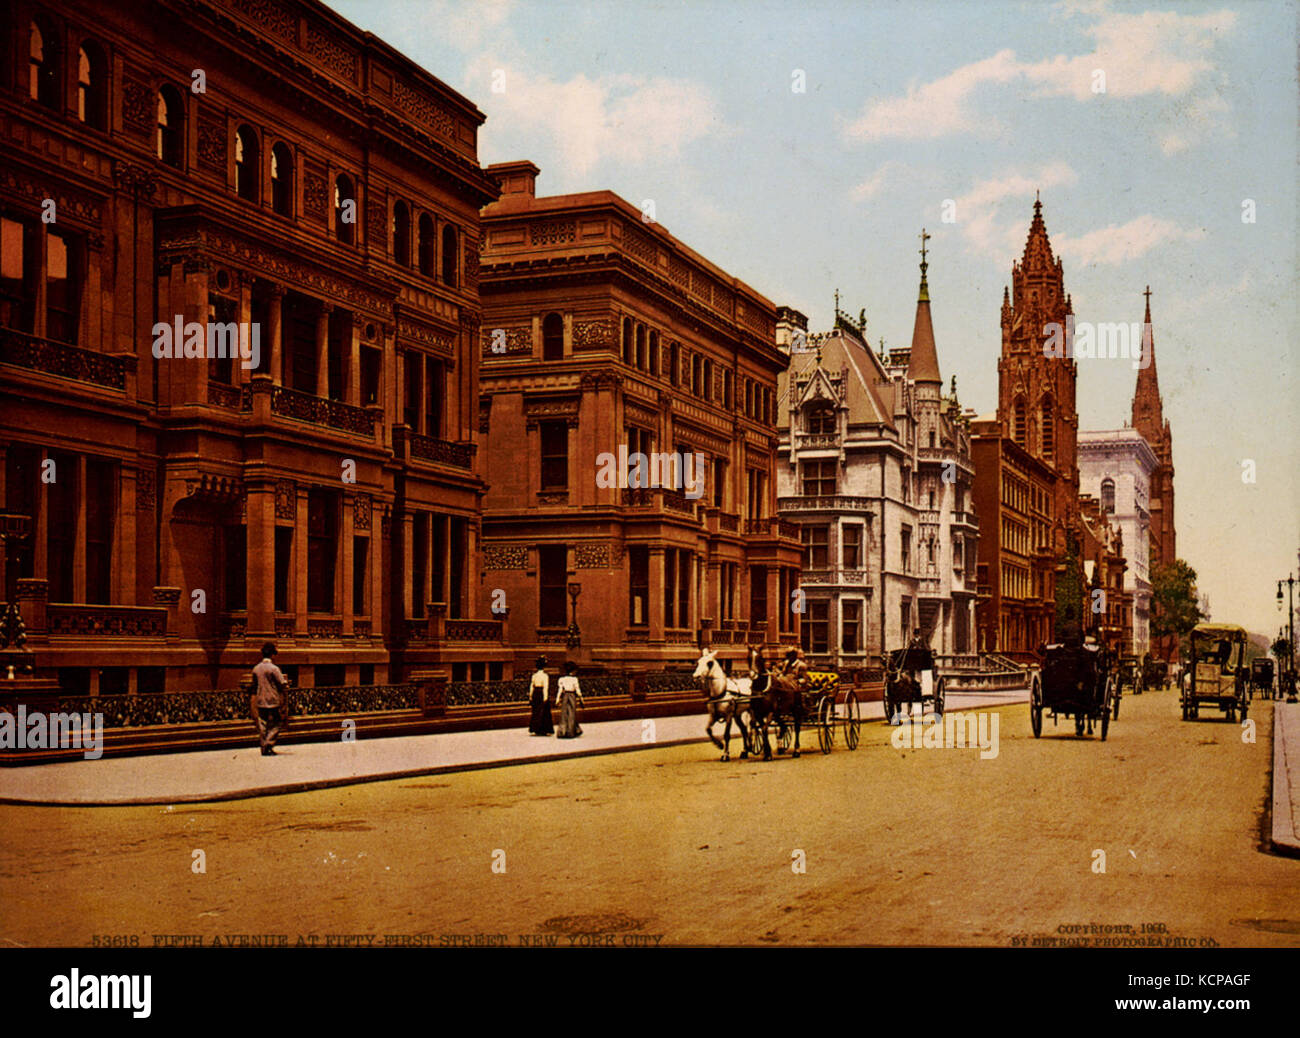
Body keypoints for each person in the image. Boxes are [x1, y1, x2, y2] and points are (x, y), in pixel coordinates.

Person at [251, 642, 289, 756]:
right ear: (272, 655)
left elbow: (254, 685)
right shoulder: (274, 669)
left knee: (262, 723)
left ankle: (263, 745)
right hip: (272, 699)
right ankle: (268, 744)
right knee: (277, 723)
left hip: (261, 699)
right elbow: (282, 684)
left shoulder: (256, 669)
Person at [555, 661, 584, 739]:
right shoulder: (574, 679)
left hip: (565, 696)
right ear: (573, 671)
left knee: (564, 713)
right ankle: (571, 731)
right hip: (572, 696)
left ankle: (562, 731)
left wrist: (557, 699)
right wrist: (581, 699)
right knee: (572, 713)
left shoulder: (562, 679)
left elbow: (560, 690)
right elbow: (578, 690)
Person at [528, 656, 553, 735]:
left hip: (536, 693)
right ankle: (544, 730)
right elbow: (546, 687)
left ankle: (535, 729)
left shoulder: (534, 676)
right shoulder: (545, 676)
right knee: (544, 712)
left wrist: (530, 696)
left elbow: (531, 686)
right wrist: (545, 698)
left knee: (535, 711)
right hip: (541, 693)